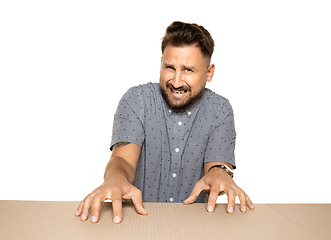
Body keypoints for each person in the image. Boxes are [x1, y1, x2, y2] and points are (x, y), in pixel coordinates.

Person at [75, 21, 254, 224]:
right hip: (136, 224)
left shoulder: (220, 109)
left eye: (188, 70)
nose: (176, 82)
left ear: (209, 72)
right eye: (170, 67)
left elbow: (216, 168)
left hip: (196, 227)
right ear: (161, 63)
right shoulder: (136, 100)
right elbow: (123, 160)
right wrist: (115, 178)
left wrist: (221, 174)